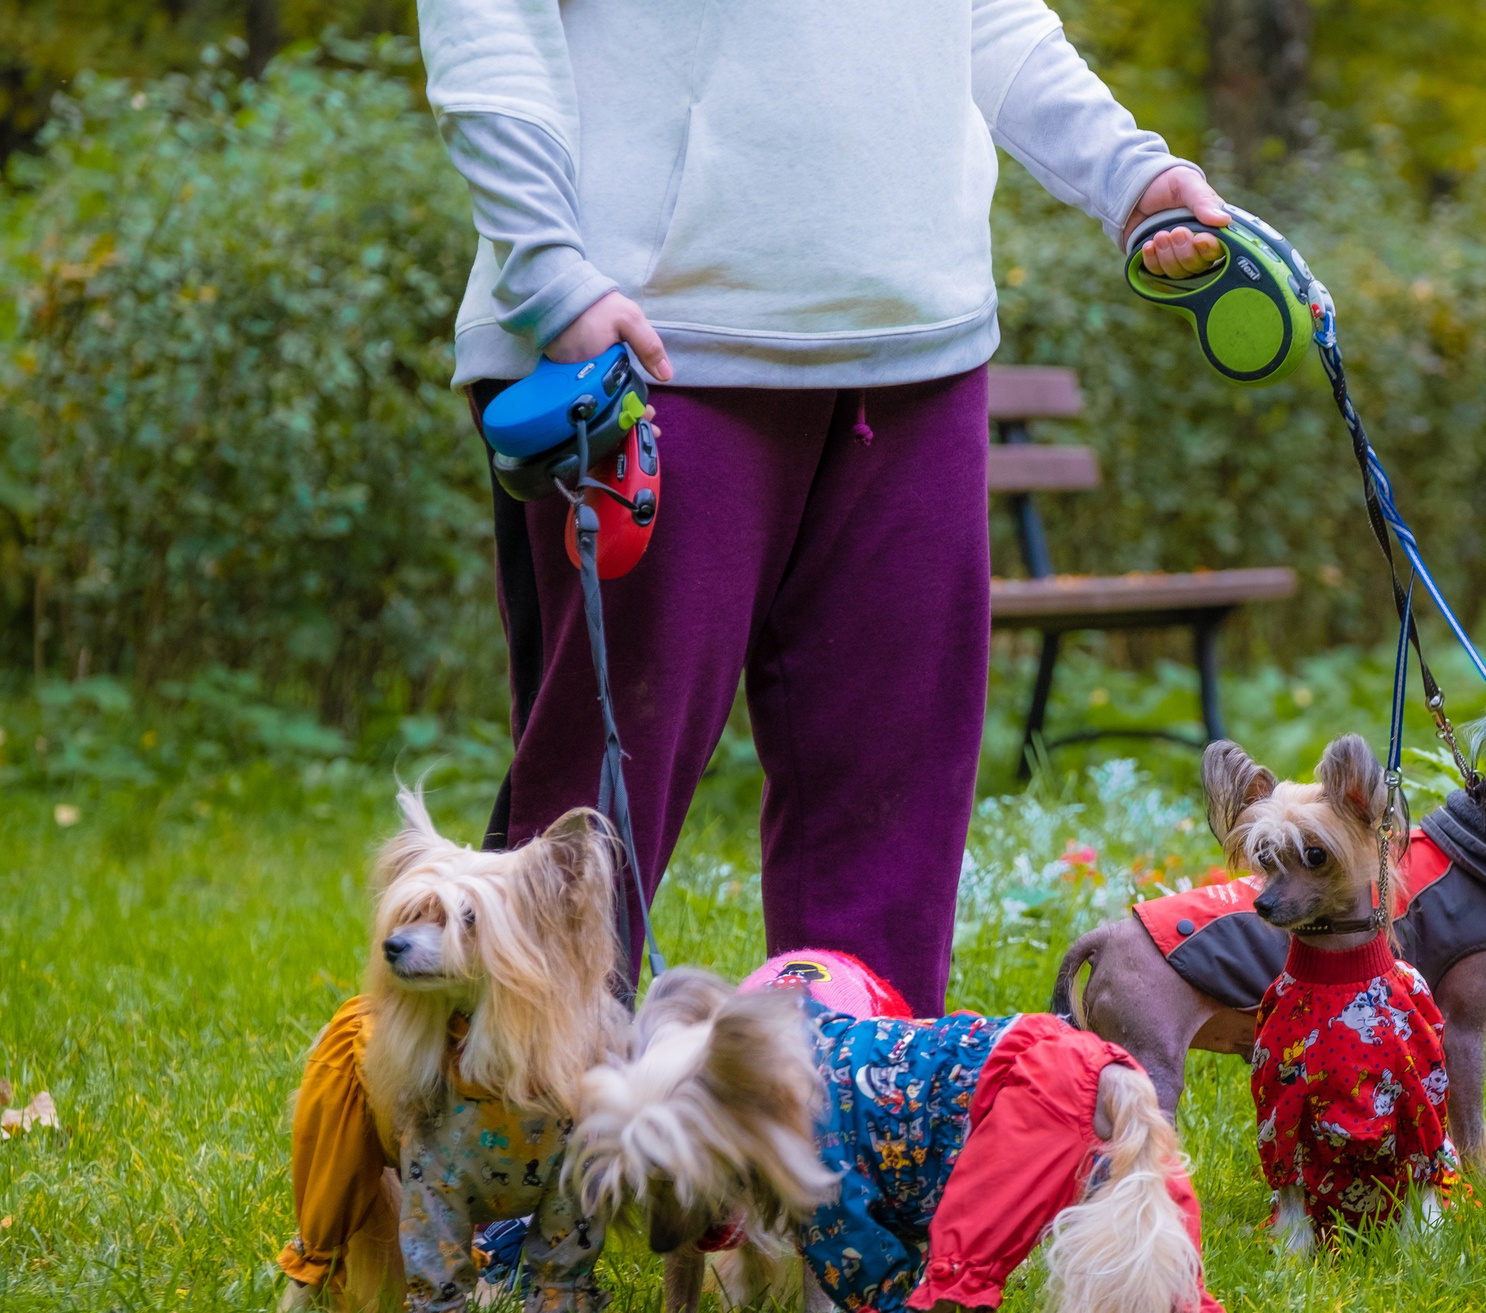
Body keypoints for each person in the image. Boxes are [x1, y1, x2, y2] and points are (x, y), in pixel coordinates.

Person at [417, 1, 1229, 1012]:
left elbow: (987, 21)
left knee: (889, 838)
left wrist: (1133, 176)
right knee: (587, 828)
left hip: (918, 348)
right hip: (641, 339)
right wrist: (546, 267)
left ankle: (857, 1144)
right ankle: (502, 1139)